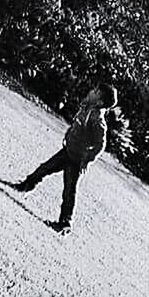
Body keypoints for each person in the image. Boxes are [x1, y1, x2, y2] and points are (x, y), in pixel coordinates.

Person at [14, 83, 118, 234]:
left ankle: (65, 223)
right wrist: (68, 134)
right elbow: (76, 125)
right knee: (45, 168)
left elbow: (100, 145)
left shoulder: (98, 120)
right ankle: (26, 185)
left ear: (100, 102)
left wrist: (87, 160)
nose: (91, 91)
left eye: (95, 91)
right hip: (67, 151)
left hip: (76, 161)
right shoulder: (86, 107)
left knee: (69, 190)